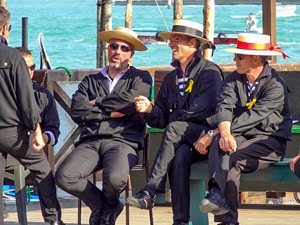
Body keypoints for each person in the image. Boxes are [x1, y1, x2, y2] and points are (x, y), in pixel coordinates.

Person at [125, 19, 224, 225]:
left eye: (176, 40)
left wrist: (174, 122)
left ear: (193, 44)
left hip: (208, 138)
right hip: (182, 140)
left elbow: (203, 110)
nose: (171, 44)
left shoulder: (210, 73)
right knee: (178, 156)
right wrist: (150, 109)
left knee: (174, 128)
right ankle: (179, 221)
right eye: (171, 40)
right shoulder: (171, 79)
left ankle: (151, 190)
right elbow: (161, 119)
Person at [55, 27, 152, 225]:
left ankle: (108, 205)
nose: (117, 51)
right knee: (65, 176)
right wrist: (110, 112)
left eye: (124, 48)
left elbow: (130, 101)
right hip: (91, 140)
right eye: (113, 46)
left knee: (116, 179)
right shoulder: (91, 80)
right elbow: (77, 110)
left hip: (123, 140)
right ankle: (105, 205)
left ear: (131, 54)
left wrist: (96, 103)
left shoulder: (141, 78)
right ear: (108, 49)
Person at [197, 33, 292, 225]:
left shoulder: (275, 85)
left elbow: (253, 117)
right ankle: (222, 207)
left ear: (255, 59)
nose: (234, 59)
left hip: (269, 141)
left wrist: (216, 132)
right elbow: (224, 107)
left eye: (239, 56)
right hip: (239, 136)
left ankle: (221, 204)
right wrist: (223, 133)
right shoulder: (233, 79)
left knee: (231, 157)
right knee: (224, 146)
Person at [0, 6, 49, 224]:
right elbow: (26, 97)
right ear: (4, 29)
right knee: (42, 170)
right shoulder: (12, 56)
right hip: (11, 131)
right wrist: (35, 128)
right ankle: (53, 218)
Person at [4, 46, 63, 224]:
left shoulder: (42, 95)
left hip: (27, 148)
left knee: (43, 170)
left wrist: (44, 138)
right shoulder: (6, 91)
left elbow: (53, 129)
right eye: (25, 67)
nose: (29, 71)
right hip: (12, 144)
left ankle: (52, 218)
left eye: (32, 67)